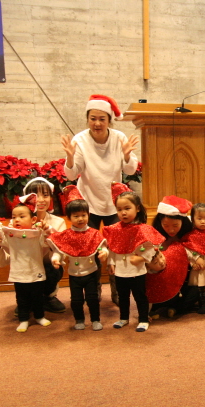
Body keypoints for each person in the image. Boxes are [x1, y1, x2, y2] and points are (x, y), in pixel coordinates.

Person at [61, 94, 139, 304]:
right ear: (87, 119)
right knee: (91, 249)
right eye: (93, 118)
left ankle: (117, 291)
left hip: (115, 203)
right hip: (88, 202)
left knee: (117, 249)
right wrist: (70, 157)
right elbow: (72, 174)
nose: (97, 123)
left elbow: (130, 170)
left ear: (109, 120)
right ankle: (93, 291)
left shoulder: (119, 138)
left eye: (102, 119)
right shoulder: (80, 140)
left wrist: (126, 156)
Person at [104, 184, 164, 332]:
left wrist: (142, 259)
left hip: (137, 271)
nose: (123, 213)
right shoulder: (115, 229)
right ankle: (123, 318)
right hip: (120, 271)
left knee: (140, 296)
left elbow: (152, 247)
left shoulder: (143, 229)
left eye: (127, 208)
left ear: (137, 208)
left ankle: (143, 319)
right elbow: (112, 248)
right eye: (119, 209)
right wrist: (111, 262)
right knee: (123, 296)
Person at [47, 185, 107, 331]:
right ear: (69, 218)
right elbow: (59, 251)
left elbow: (102, 246)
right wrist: (55, 258)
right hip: (74, 275)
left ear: (88, 215)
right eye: (76, 216)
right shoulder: (66, 235)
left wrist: (104, 252)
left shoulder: (94, 233)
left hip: (91, 272)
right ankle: (79, 320)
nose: (80, 219)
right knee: (76, 300)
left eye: (83, 215)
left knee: (93, 298)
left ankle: (95, 319)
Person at [0, 194, 52, 332]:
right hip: (19, 274)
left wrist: (46, 229)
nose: (17, 220)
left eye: (22, 216)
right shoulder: (10, 235)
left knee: (38, 297)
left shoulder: (37, 233)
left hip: (36, 272)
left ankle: (39, 316)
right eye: (14, 217)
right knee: (22, 299)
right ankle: (23, 320)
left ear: (33, 219)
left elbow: (47, 241)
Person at [22, 177, 67, 314]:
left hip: (48, 265)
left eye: (45, 195)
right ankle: (25, 299)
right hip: (27, 265)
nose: (40, 200)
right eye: (35, 195)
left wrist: (49, 235)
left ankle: (48, 296)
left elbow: (63, 250)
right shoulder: (19, 221)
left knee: (54, 269)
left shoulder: (58, 222)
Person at [147, 196, 197, 318]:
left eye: (175, 225)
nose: (171, 230)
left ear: (183, 222)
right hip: (162, 281)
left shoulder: (190, 234)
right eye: (166, 225)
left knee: (195, 293)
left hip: (185, 280)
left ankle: (175, 308)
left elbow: (196, 252)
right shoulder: (154, 236)